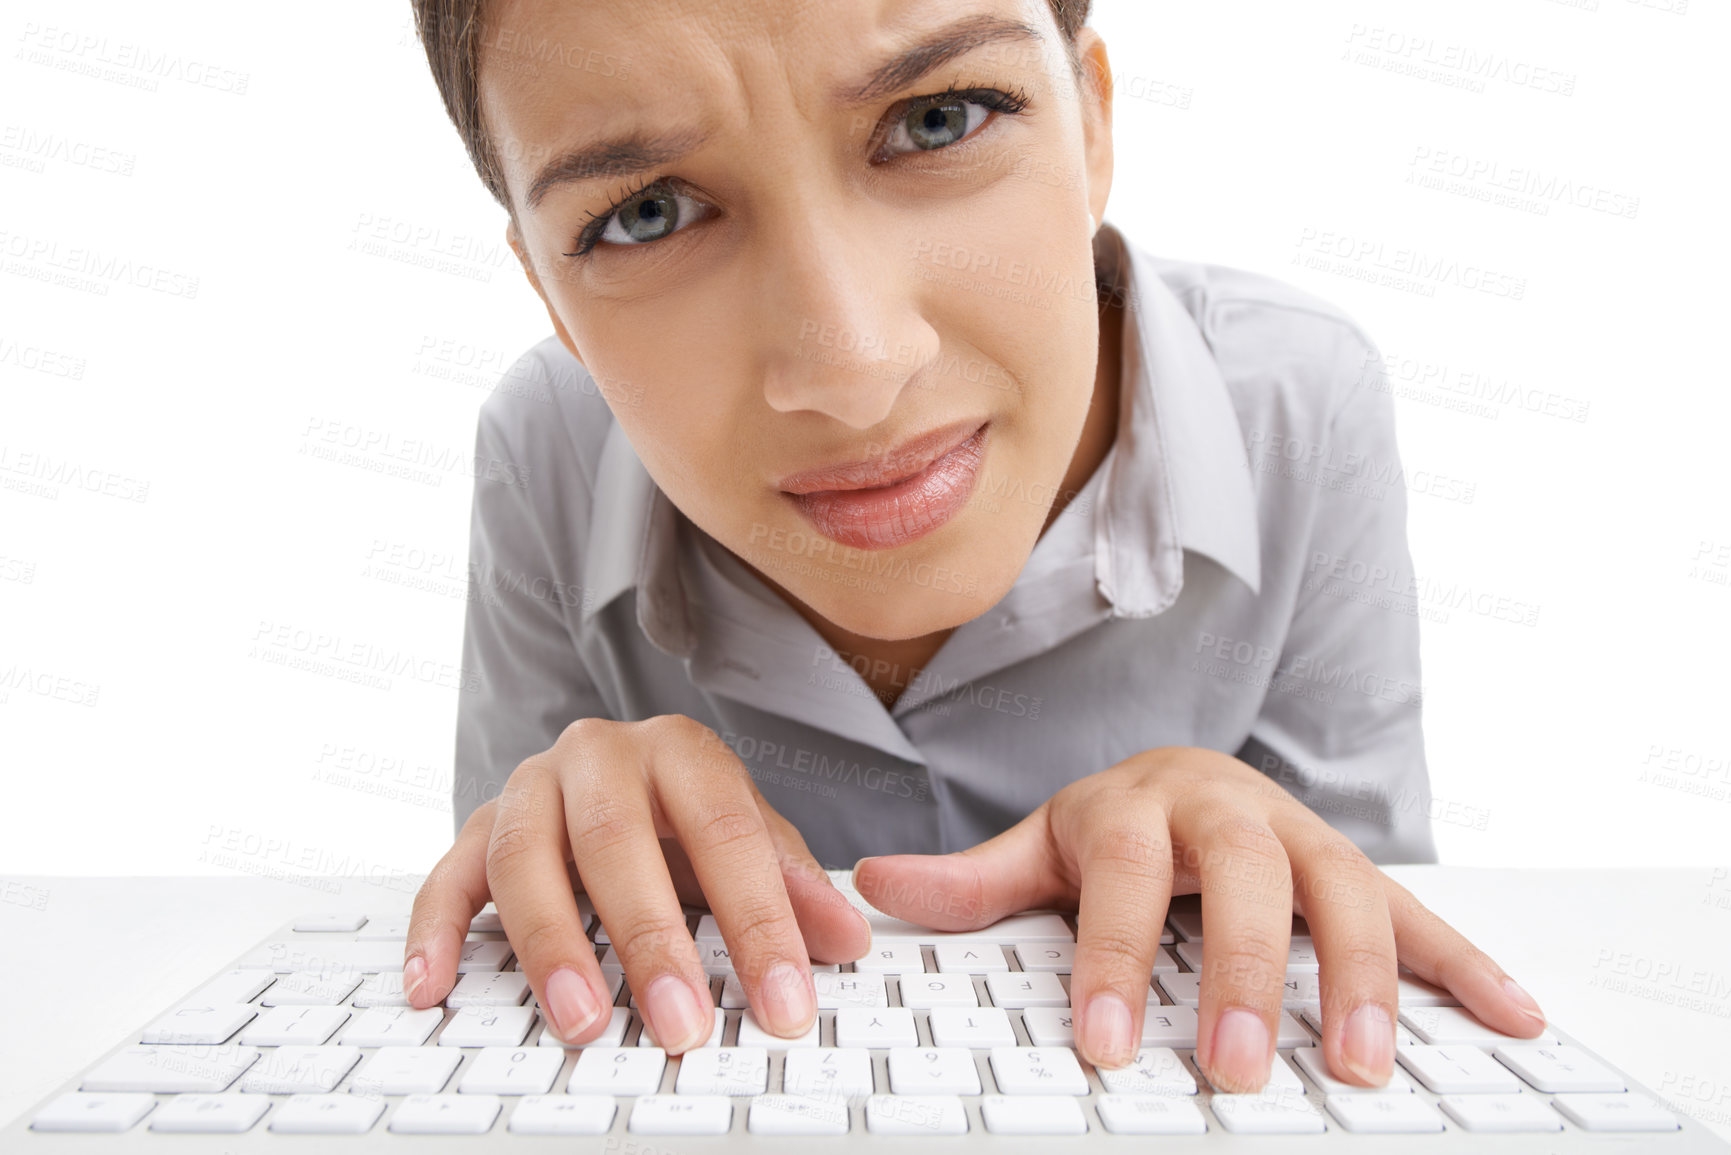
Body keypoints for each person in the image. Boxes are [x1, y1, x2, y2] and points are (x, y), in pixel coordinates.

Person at [400, 0, 1547, 1095]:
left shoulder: (1297, 406)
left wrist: (1249, 847)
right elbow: (515, 933)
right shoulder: (542, 447)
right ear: (551, 297)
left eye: (938, 119)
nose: (854, 367)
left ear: (1093, 123)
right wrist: (564, 831)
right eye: (645, 210)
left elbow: (1371, 965)